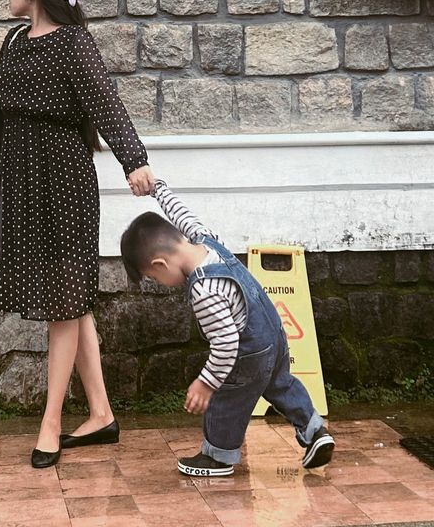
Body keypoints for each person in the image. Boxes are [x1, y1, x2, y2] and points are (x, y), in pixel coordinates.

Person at [0, 0, 154, 468]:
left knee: (65, 300)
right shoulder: (14, 42)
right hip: (22, 182)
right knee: (72, 300)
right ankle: (102, 413)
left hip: (64, 181)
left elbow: (106, 103)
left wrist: (135, 162)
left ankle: (51, 423)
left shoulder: (73, 43)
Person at [119, 180, 335, 477]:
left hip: (248, 351)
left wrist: (206, 383)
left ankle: (218, 457)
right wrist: (158, 188)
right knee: (280, 383)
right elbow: (183, 214)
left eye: (154, 278)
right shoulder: (205, 240)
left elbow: (226, 343)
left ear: (159, 264)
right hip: (274, 334)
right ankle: (314, 432)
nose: (160, 283)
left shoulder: (204, 290)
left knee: (226, 398)